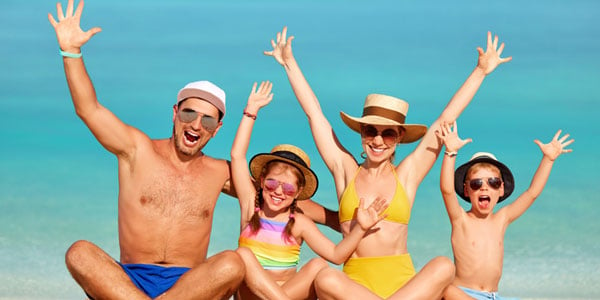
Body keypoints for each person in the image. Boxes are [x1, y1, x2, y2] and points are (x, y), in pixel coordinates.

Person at [47, 1, 337, 299]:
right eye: (189, 114)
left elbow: (278, 195)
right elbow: (89, 110)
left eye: (207, 119)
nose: (196, 124)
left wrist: (343, 221)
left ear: (217, 129)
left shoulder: (218, 172)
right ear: (175, 113)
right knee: (79, 253)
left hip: (191, 286)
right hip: (129, 280)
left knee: (233, 261)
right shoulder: (136, 149)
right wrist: (71, 53)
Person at [264, 26, 512, 299]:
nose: (378, 140)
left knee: (443, 266)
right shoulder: (345, 170)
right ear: (361, 134)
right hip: (355, 286)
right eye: (371, 131)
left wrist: (480, 72)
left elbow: (444, 121)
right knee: (325, 279)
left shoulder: (407, 174)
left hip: (404, 287)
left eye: (388, 133)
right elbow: (315, 115)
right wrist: (289, 63)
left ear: (399, 138)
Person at [231, 81, 388, 300]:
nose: (278, 192)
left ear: (298, 192)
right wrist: (251, 111)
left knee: (317, 264)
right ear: (261, 181)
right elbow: (238, 156)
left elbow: (336, 255)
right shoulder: (251, 207)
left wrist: (360, 228)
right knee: (243, 255)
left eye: (287, 188)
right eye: (271, 184)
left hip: (285, 294)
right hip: (251, 295)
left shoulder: (300, 223)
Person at [436, 122, 574, 300]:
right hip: (464, 294)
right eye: (476, 184)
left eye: (492, 183)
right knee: (447, 290)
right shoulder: (460, 219)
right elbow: (447, 190)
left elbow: (532, 193)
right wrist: (450, 153)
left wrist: (548, 159)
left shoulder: (502, 219)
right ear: (466, 190)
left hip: (495, 296)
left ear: (501, 189)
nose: (484, 188)